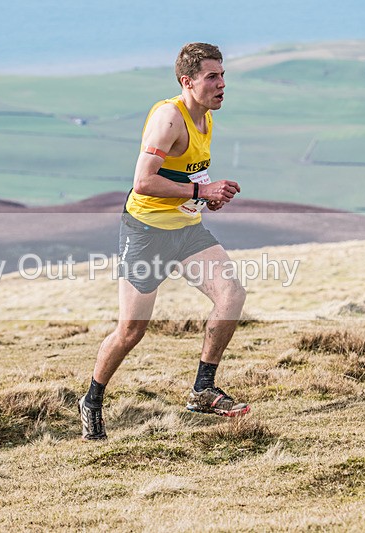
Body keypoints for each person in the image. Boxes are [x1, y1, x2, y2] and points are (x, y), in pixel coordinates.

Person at [78, 43, 249, 440]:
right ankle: (92, 399)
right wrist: (198, 192)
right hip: (146, 233)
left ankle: (202, 389)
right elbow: (143, 182)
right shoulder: (169, 118)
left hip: (186, 230)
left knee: (232, 295)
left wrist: (207, 193)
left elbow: (185, 175)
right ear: (187, 82)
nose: (222, 84)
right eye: (212, 77)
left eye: (223, 75)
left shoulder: (205, 117)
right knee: (131, 331)